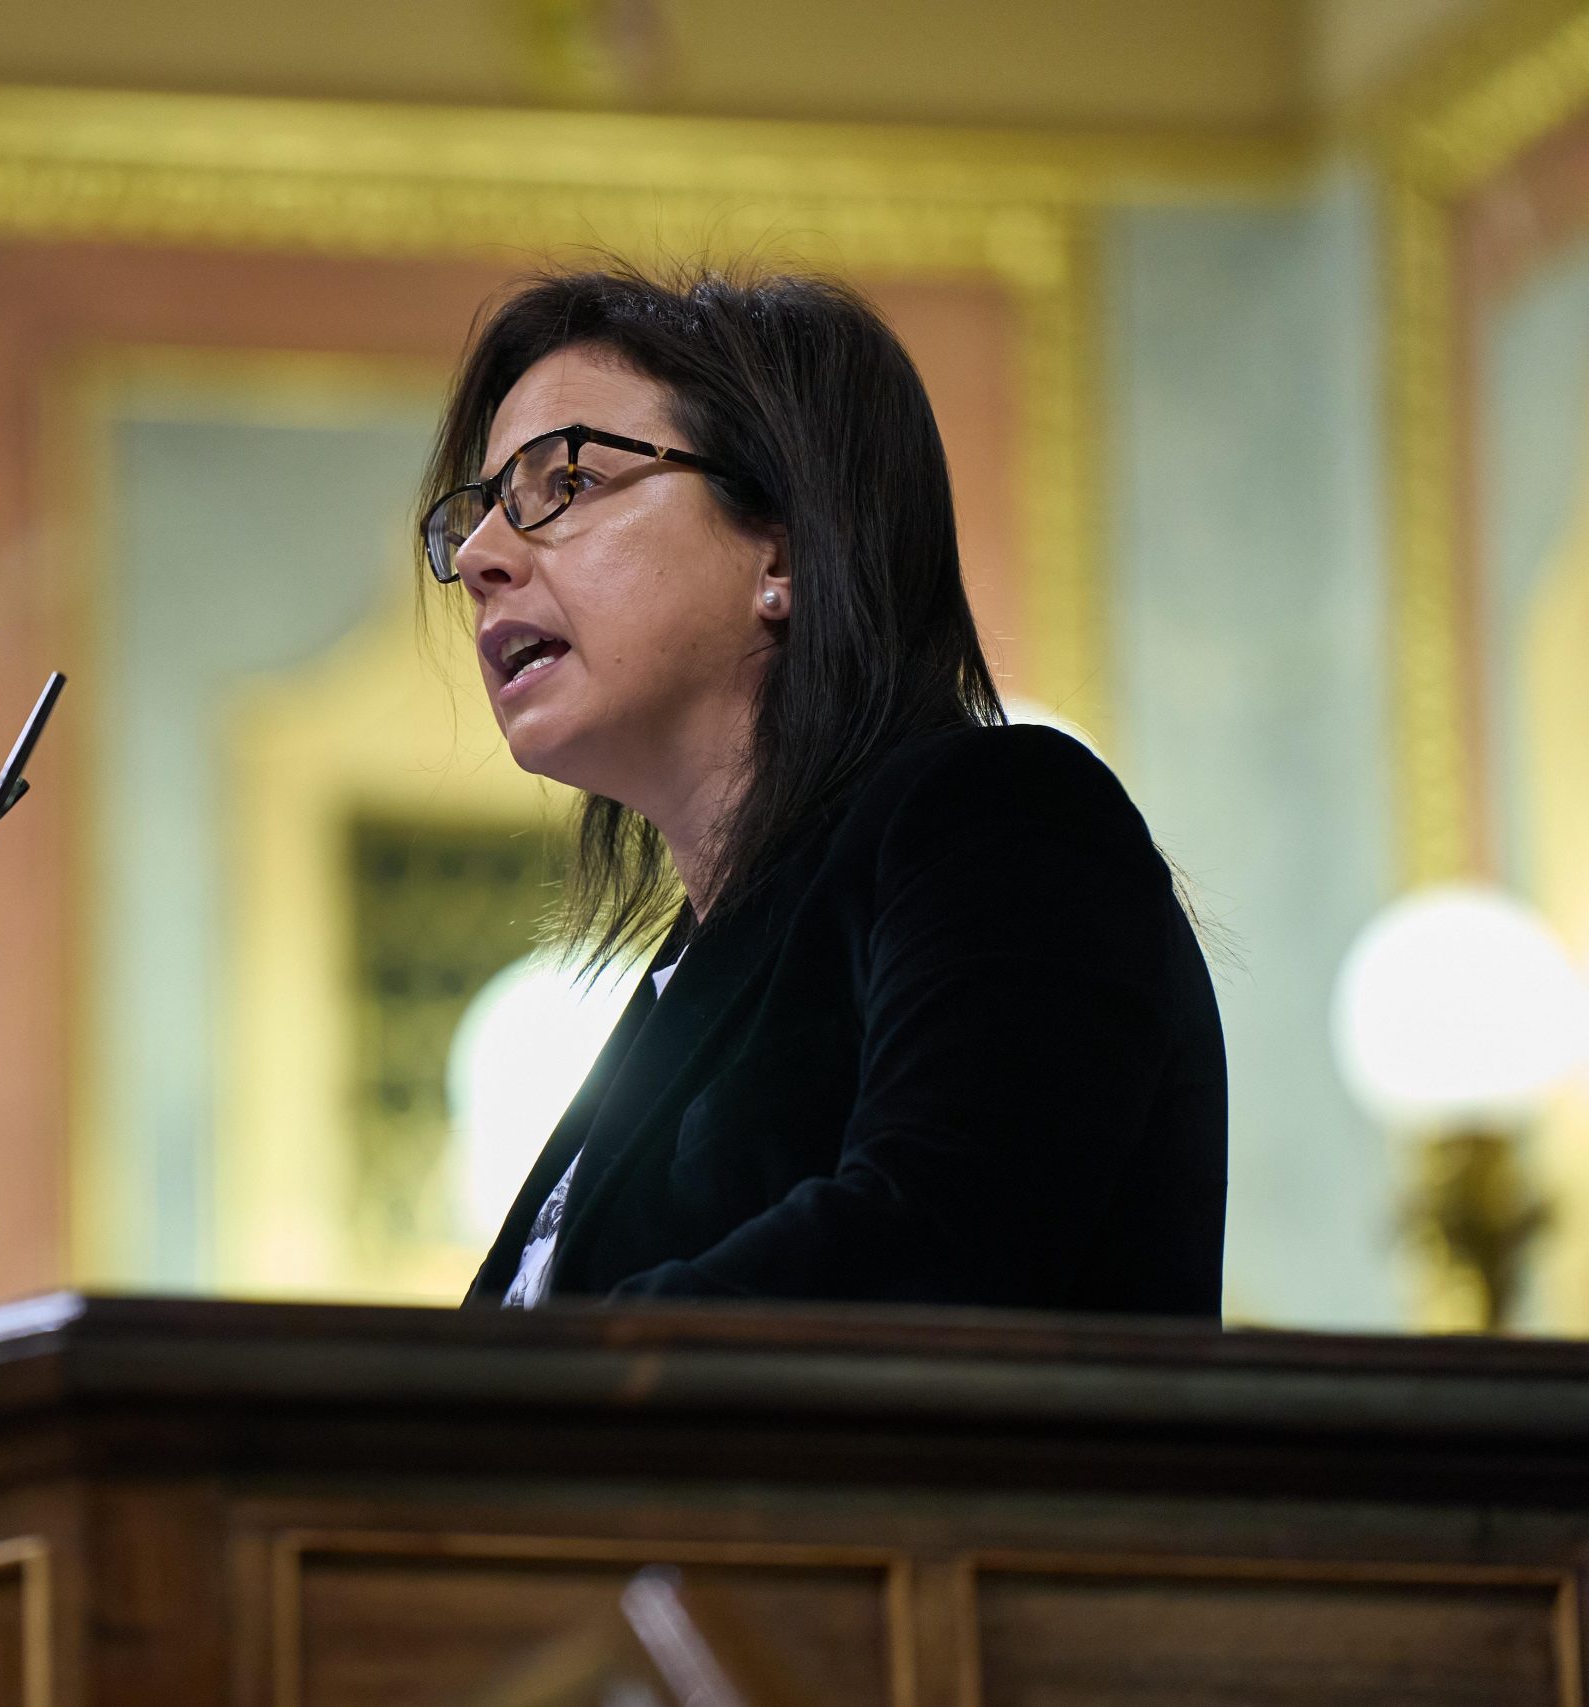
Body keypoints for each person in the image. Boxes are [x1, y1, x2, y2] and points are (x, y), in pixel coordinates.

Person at [427, 267, 1227, 1317]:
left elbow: (934, 1241)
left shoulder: (1004, 817)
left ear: (786, 546)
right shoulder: (693, 964)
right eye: (481, 510)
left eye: (562, 481)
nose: (480, 555)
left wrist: (534, 1386)